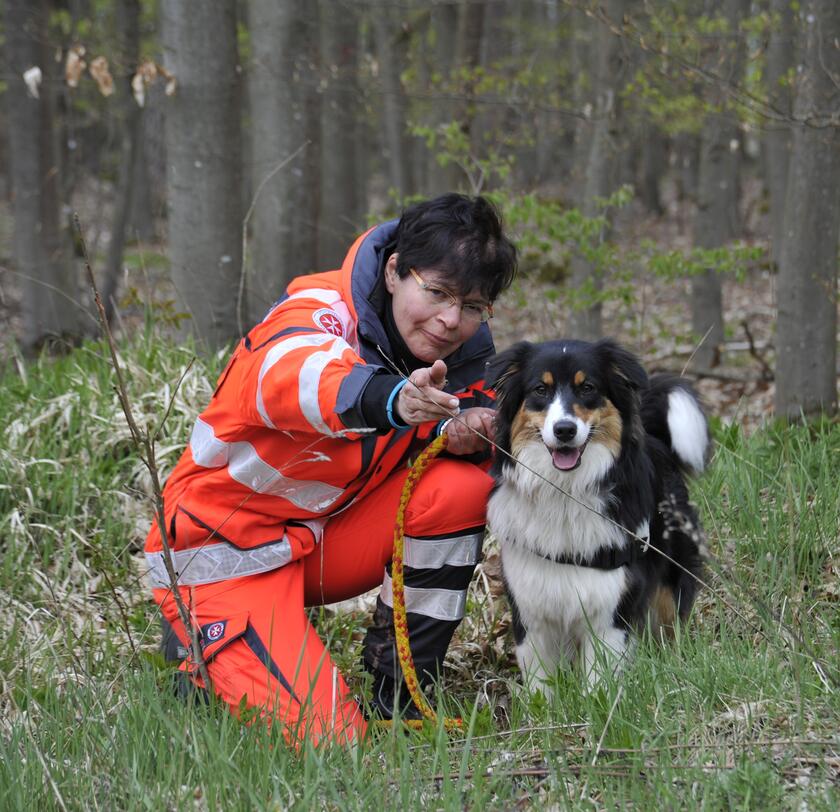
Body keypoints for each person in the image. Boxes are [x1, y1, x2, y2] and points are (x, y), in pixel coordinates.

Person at [145, 193, 518, 745]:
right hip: (220, 550)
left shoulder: (462, 352)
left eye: (472, 306)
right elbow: (286, 371)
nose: (449, 320)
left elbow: (486, 418)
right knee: (332, 740)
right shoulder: (319, 308)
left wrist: (473, 431)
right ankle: (201, 645)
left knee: (462, 486)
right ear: (394, 271)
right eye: (437, 292)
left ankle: (400, 692)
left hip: (321, 538)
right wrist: (389, 398)